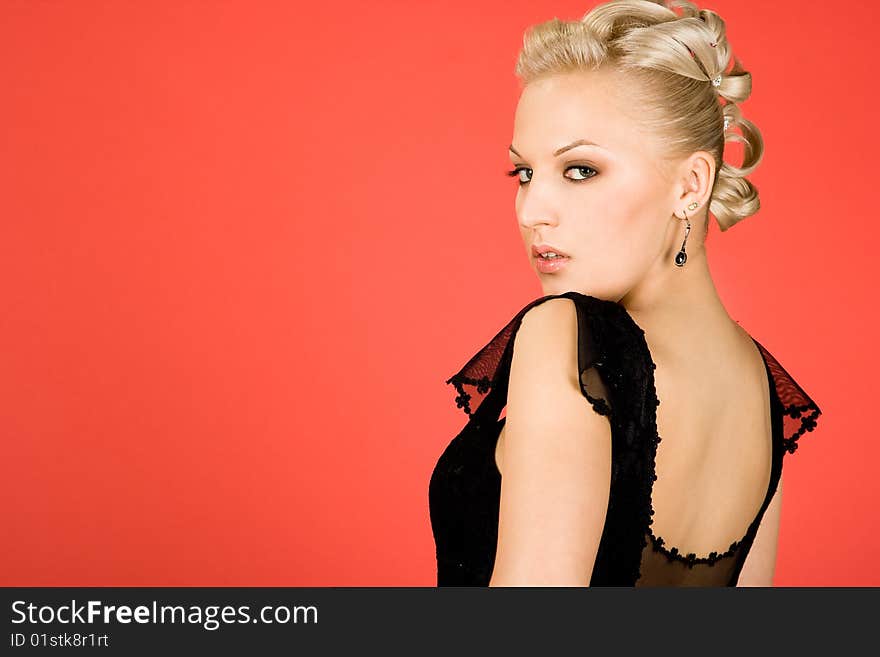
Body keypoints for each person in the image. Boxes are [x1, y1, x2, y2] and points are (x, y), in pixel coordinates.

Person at [428, 0, 822, 586]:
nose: (533, 211)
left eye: (581, 170)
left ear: (690, 186)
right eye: (525, 173)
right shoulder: (762, 391)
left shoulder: (566, 337)